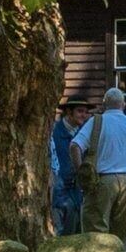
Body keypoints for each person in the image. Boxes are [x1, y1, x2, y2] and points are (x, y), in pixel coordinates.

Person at [80, 86, 126, 252]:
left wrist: (81, 170)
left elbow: (75, 146)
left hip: (102, 179)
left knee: (96, 228)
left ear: (104, 104)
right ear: (124, 105)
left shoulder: (96, 122)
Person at [47, 97, 88, 239]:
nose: (84, 115)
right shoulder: (54, 132)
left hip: (77, 190)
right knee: (60, 230)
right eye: (80, 111)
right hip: (58, 188)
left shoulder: (84, 133)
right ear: (69, 112)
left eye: (85, 112)